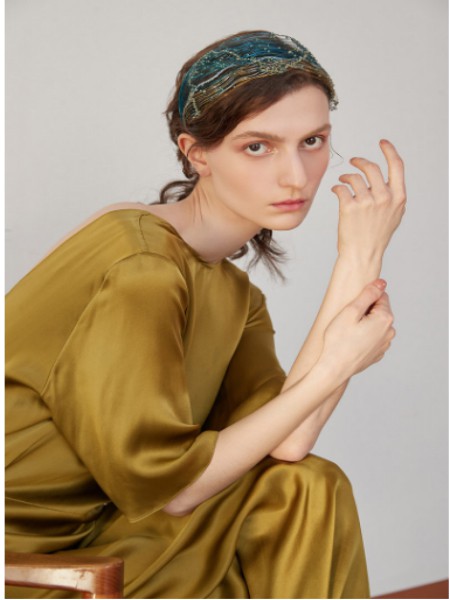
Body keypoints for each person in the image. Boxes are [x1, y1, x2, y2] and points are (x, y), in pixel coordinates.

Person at [5, 30, 406, 599]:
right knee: (302, 494)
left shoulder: (235, 295)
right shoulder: (140, 265)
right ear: (196, 152)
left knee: (305, 486)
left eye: (313, 141)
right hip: (27, 558)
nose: (296, 175)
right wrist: (337, 365)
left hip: (111, 532)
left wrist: (360, 255)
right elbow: (177, 491)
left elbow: (289, 442)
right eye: (258, 147)